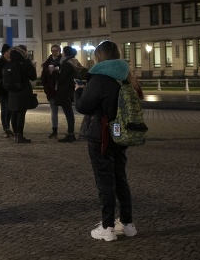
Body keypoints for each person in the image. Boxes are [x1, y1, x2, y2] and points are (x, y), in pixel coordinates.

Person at [75, 40, 140, 242]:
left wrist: (78, 91)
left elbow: (84, 106)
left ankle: (108, 226)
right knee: (120, 178)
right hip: (121, 134)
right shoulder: (126, 75)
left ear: (99, 57)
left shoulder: (101, 77)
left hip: (101, 134)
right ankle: (128, 224)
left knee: (105, 181)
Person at [4, 45, 37, 143]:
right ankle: (20, 136)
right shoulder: (25, 62)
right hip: (23, 90)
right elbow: (33, 77)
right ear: (23, 52)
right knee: (21, 113)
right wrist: (33, 67)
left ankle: (15, 135)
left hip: (12, 91)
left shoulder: (10, 63)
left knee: (14, 113)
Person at [55, 46, 84, 143]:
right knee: (69, 113)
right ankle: (71, 134)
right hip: (71, 90)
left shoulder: (67, 64)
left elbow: (62, 79)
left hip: (65, 91)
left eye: (63, 52)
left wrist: (54, 72)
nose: (62, 54)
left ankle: (70, 134)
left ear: (65, 53)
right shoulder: (74, 62)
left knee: (68, 113)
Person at [41, 44, 63, 138]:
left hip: (61, 90)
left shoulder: (62, 62)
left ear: (59, 51)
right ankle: (54, 130)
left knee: (67, 110)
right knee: (54, 111)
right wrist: (46, 88)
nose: (54, 52)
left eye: (56, 50)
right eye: (53, 50)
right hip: (51, 90)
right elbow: (43, 77)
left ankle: (70, 131)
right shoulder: (47, 63)